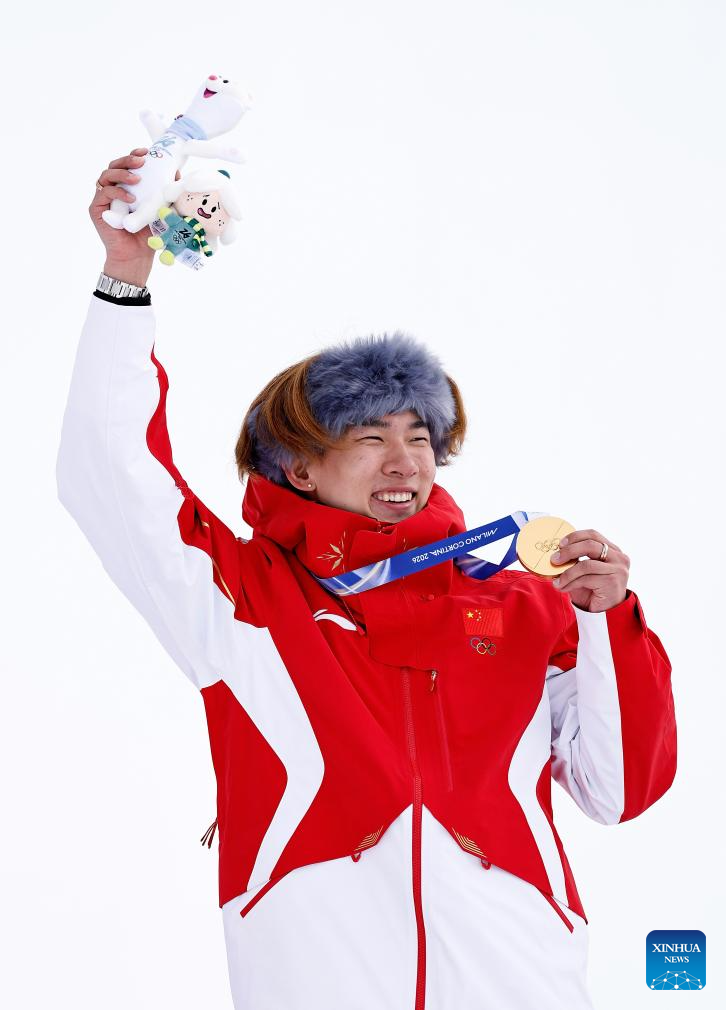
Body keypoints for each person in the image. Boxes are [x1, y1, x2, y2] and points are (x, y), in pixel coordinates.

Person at [56, 146, 677, 1010]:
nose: (404, 459)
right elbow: (111, 474)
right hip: (322, 969)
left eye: (420, 437)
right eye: (369, 437)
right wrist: (125, 280)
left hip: (519, 971)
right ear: (300, 468)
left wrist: (611, 620)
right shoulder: (244, 599)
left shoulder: (528, 606)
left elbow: (618, 791)